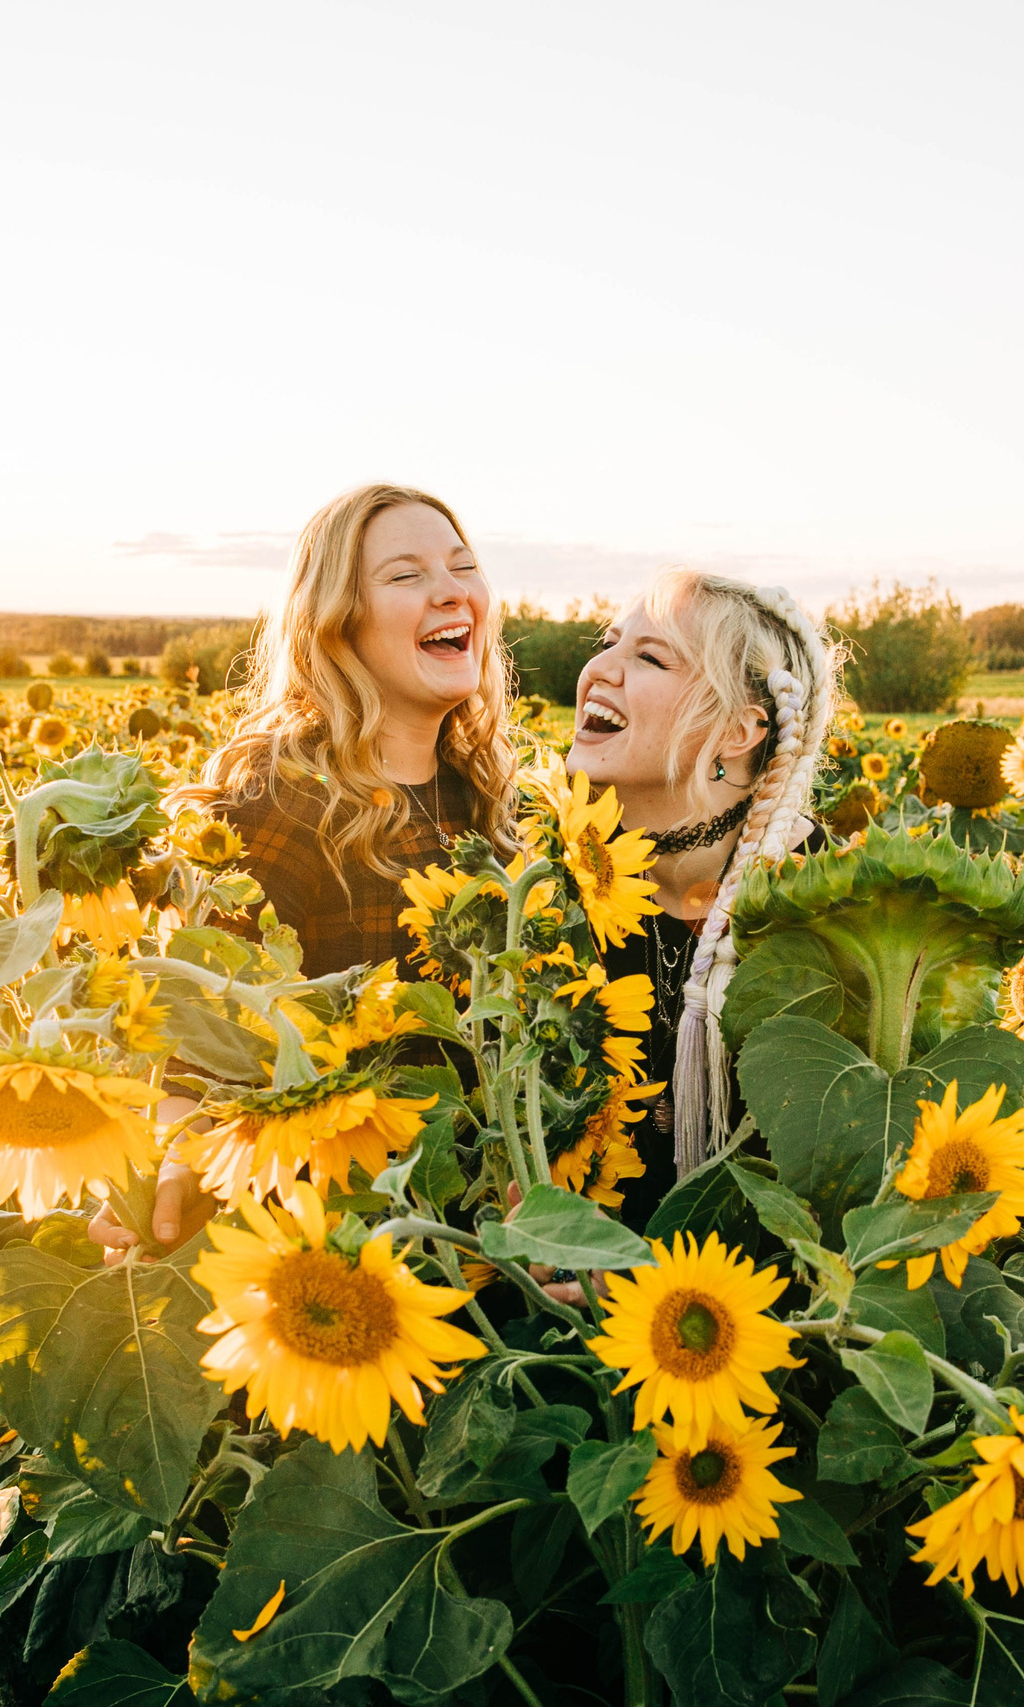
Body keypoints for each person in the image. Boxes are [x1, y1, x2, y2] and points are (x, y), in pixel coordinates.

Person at [92, 482, 519, 1258]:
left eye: (462, 567)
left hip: (470, 1248)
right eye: (406, 575)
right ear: (334, 623)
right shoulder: (280, 802)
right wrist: (175, 1159)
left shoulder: (480, 793)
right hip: (327, 1242)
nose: (453, 591)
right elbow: (199, 1033)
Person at [566, 568, 837, 1238]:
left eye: (648, 656)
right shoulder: (543, 885)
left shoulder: (830, 909)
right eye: (607, 641)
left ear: (739, 730)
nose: (599, 667)